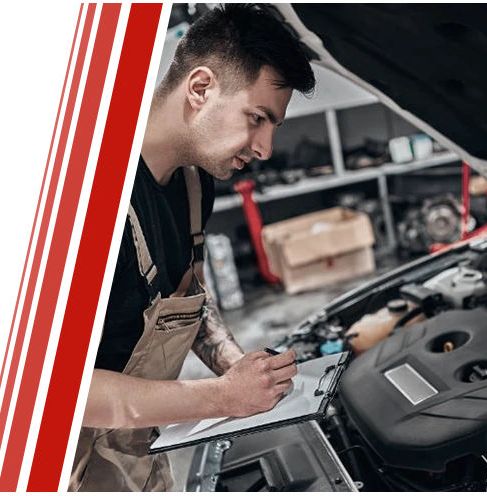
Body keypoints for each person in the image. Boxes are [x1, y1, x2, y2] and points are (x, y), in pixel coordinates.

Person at [66, 4, 316, 492]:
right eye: (257, 118)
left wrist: (246, 375)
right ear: (200, 88)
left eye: (274, 127)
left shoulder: (195, 182)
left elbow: (182, 295)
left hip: (129, 458)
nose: (265, 147)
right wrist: (222, 397)